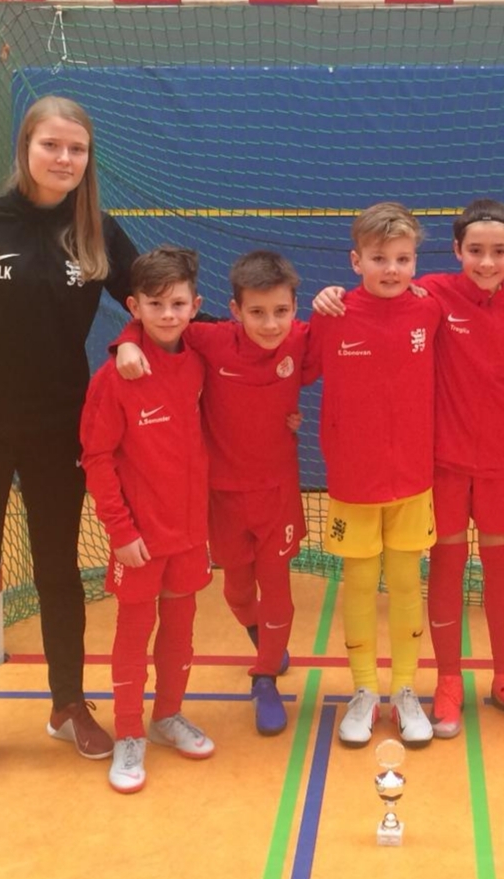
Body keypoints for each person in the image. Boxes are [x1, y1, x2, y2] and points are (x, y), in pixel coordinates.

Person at [0, 95, 135, 789]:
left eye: (77, 148)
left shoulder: (96, 232)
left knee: (59, 571)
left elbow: (155, 299)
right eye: (52, 145)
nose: (64, 158)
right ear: (26, 147)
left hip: (57, 427)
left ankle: (68, 703)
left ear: (88, 157)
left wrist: (243, 334)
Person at [313, 199, 504, 738]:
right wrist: (329, 295)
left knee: (502, 568)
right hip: (439, 462)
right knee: (444, 568)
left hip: (499, 457)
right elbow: (366, 297)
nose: (486, 262)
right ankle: (446, 683)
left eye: (498, 251)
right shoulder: (433, 294)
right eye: (475, 250)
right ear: (455, 251)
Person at [114, 250, 307, 737]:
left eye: (281, 311)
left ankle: (265, 677)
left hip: (278, 491)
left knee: (277, 585)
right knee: (237, 589)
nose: (270, 324)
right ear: (234, 310)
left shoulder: (302, 338)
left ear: (294, 309)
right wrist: (126, 343)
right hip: (221, 496)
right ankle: (260, 633)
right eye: (257, 312)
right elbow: (160, 323)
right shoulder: (210, 339)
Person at [305, 201, 441, 747]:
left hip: (412, 478)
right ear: (355, 260)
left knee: (407, 583)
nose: (392, 269)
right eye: (379, 258)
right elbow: (294, 366)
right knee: (360, 585)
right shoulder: (333, 314)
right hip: (353, 482)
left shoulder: (429, 310)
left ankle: (405, 690)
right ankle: (363, 690)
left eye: (403, 258)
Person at [80, 246, 214, 793]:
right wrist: (121, 531)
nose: (167, 314)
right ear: (133, 307)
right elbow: (96, 459)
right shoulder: (116, 377)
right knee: (135, 634)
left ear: (195, 306)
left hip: (189, 532)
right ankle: (130, 732)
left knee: (180, 629)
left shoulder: (199, 360)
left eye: (178, 303)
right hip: (138, 538)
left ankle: (167, 716)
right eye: (154, 304)